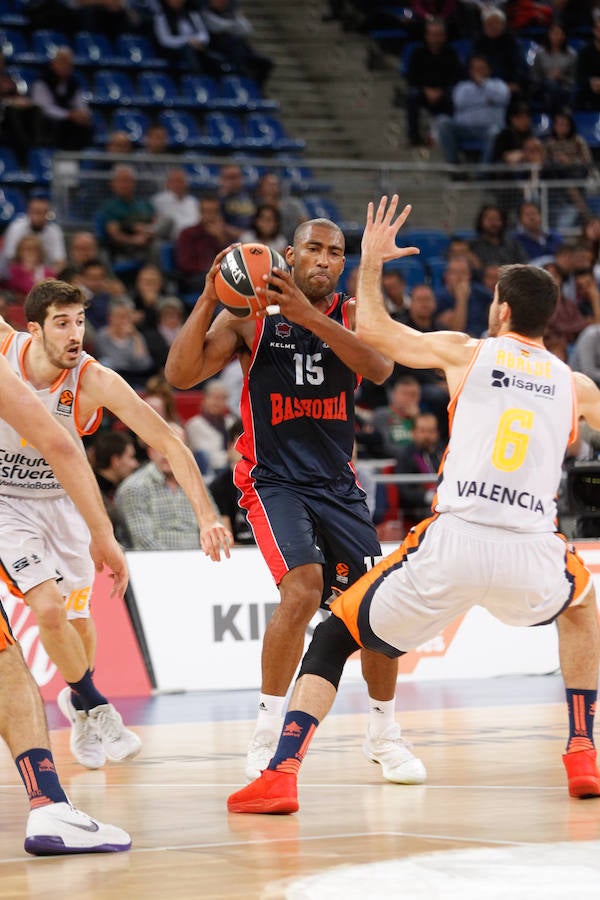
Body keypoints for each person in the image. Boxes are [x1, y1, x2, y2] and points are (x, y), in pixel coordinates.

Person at [227, 195, 600, 815]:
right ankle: (584, 751)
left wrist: (370, 263)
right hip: (533, 547)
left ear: (501, 310)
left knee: (337, 632)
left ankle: (281, 771)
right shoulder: (577, 385)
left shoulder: (468, 351)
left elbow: (376, 338)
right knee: (582, 606)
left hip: (455, 541)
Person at [165, 218, 427, 786]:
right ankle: (266, 728)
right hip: (272, 481)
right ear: (290, 254)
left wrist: (310, 317)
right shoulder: (249, 319)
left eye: (336, 252)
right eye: (314, 249)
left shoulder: (354, 313)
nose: (326, 260)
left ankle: (383, 731)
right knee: (303, 587)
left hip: (337, 484)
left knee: (377, 607)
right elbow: (180, 373)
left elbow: (380, 369)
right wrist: (209, 298)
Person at [0, 278, 231, 771]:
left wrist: (207, 516)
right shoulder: (5, 348)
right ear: (34, 328)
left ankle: (78, 705)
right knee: (47, 609)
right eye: (62, 323)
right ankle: (97, 703)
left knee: (80, 620)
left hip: (65, 502)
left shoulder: (93, 379)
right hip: (7, 504)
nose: (74, 333)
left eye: (80, 321)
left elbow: (169, 443)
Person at [0, 351, 131, 854]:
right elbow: (59, 442)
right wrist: (104, 533)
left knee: (68, 613)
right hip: (29, 504)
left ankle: (86, 701)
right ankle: (50, 805)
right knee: (8, 665)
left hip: (47, 511)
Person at [115, 422, 214, 550]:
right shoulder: (134, 487)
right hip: (154, 564)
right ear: (150, 451)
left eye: (175, 447)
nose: (167, 454)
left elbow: (214, 526)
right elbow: (143, 541)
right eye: (161, 447)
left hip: (201, 561)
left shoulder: (197, 484)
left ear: (186, 452)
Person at [435, 54, 510, 165]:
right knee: (442, 121)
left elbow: (503, 97)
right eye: (475, 69)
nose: (478, 72)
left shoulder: (499, 85)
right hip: (464, 129)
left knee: (494, 132)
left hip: (488, 129)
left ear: (489, 70)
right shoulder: (462, 87)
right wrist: (487, 100)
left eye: (481, 68)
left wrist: (483, 85)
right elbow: (459, 102)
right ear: (470, 70)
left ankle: (482, 173)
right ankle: (454, 166)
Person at [403, 17, 463, 148]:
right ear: (427, 35)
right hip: (423, 90)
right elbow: (412, 76)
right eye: (433, 34)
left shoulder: (451, 53)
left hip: (445, 91)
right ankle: (413, 137)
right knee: (412, 95)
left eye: (439, 35)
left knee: (456, 94)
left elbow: (456, 76)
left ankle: (449, 135)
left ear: (444, 36)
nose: (436, 38)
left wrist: (441, 90)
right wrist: (426, 89)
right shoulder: (417, 53)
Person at [31, 46, 94, 151]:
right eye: (62, 62)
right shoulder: (41, 82)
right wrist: (69, 115)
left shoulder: (73, 83)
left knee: (85, 126)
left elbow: (81, 104)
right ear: (53, 63)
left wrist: (83, 114)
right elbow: (43, 108)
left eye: (69, 63)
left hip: (68, 125)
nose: (66, 66)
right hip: (47, 125)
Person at [89, 428, 138, 548]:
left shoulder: (119, 487)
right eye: (130, 457)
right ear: (115, 461)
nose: (135, 464)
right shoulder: (92, 492)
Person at [0, 194, 67, 279]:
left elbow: (60, 262)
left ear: (48, 214)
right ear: (28, 212)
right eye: (34, 212)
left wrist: (46, 275)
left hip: (45, 277)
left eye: (41, 213)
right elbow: (11, 259)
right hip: (16, 275)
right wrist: (28, 275)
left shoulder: (55, 231)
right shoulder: (16, 227)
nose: (37, 217)